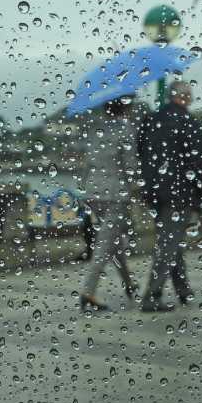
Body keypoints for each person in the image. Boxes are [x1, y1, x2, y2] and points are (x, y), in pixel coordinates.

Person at [137, 80, 202, 312]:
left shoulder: (150, 120)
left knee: (171, 239)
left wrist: (148, 186)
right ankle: (151, 296)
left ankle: (183, 290)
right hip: (179, 193)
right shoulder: (189, 123)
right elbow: (199, 163)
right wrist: (200, 194)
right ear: (186, 97)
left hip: (155, 192)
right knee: (168, 243)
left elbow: (142, 153)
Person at [80, 96, 139, 311]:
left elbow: (88, 161)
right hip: (115, 194)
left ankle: (129, 283)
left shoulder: (96, 128)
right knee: (105, 244)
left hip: (93, 192)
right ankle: (88, 291)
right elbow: (130, 165)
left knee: (113, 242)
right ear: (126, 107)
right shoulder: (126, 129)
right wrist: (136, 188)